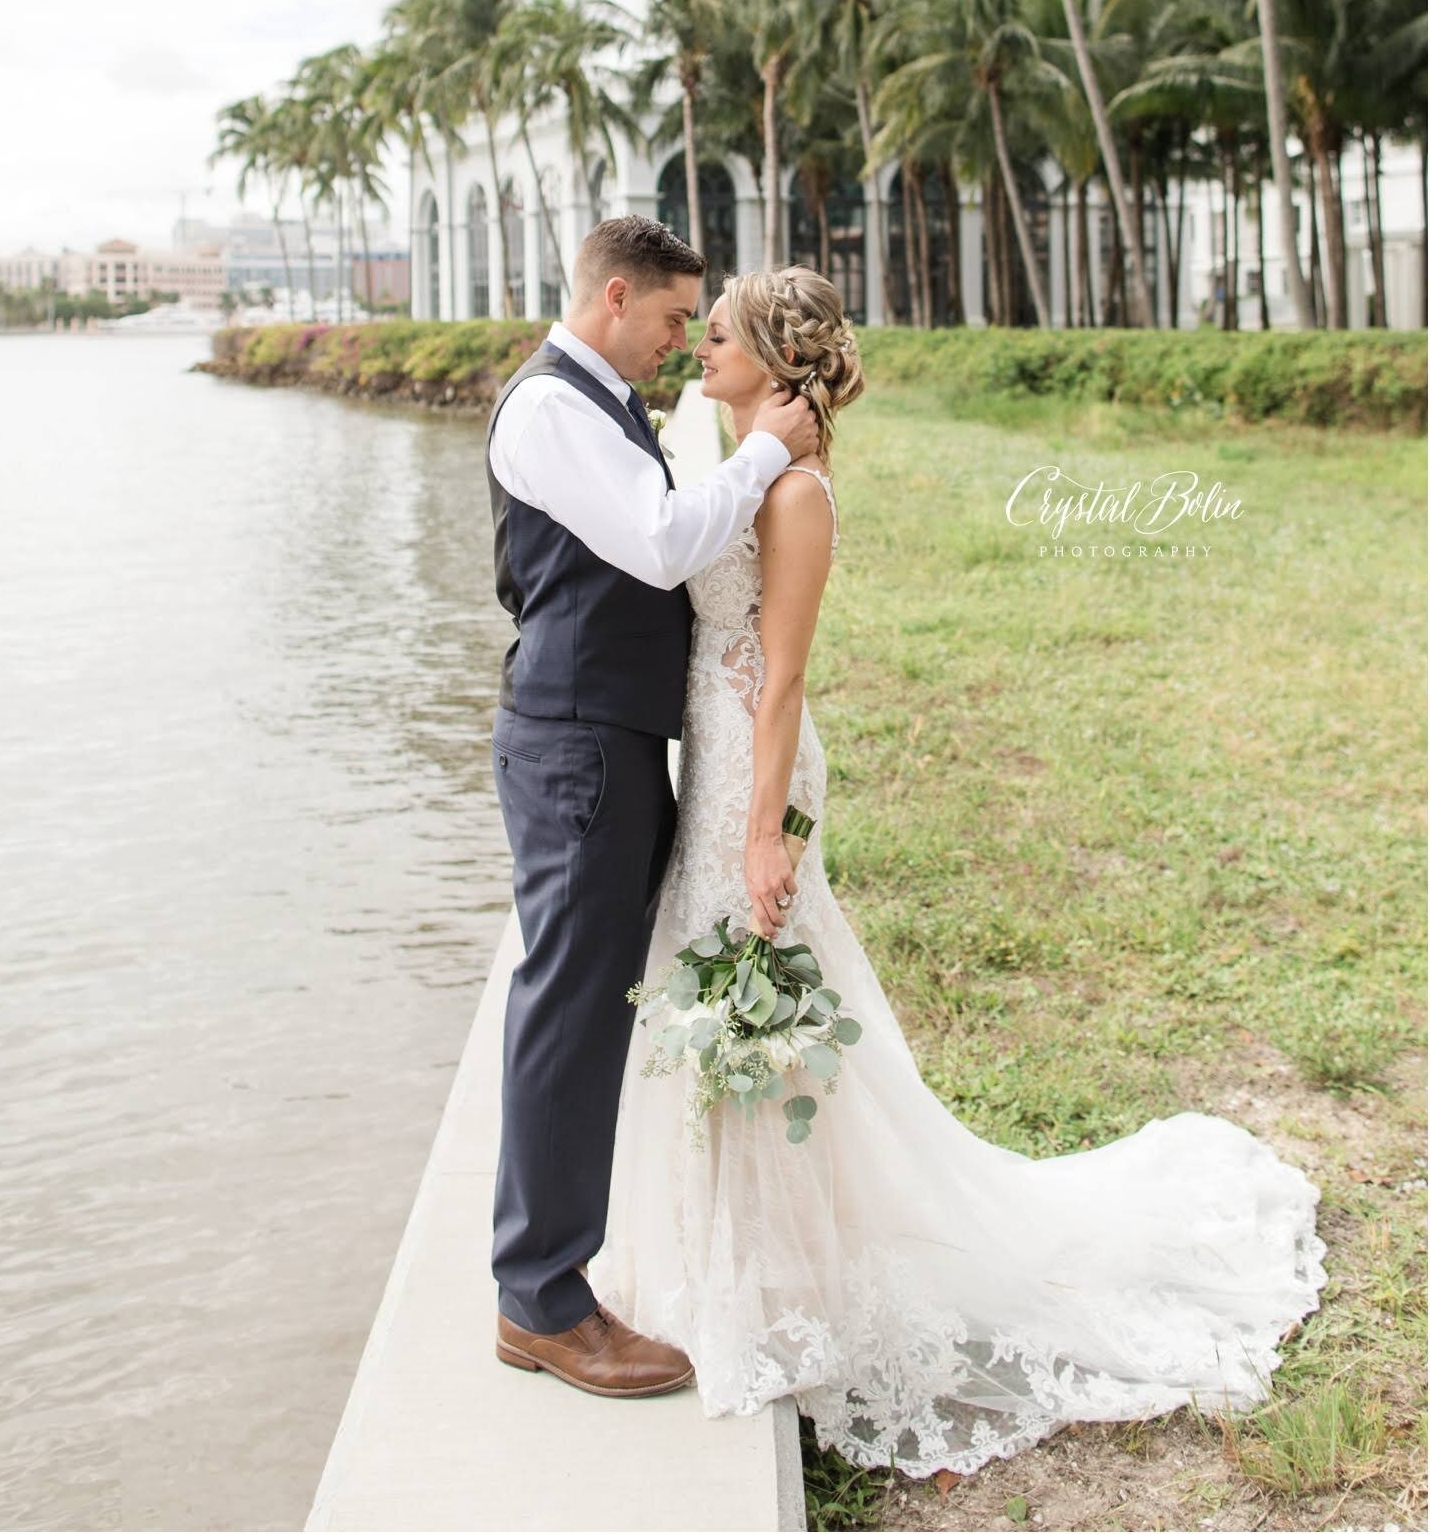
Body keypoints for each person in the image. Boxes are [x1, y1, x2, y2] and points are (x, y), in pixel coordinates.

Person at [588, 262, 1328, 1479]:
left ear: (773, 359)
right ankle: (738, 1263)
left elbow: (779, 681)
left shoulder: (799, 495)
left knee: (755, 1011)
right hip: (718, 758)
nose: (694, 349)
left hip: (752, 771)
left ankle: (779, 1286)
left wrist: (763, 828)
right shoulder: (742, 455)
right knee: (724, 1003)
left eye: (712, 336)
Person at [483, 214, 820, 1398]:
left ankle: (550, 1281)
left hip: (608, 740)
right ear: (614, 296)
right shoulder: (548, 409)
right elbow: (668, 537)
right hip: (575, 745)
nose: (684, 342)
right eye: (675, 319)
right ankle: (542, 1300)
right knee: (570, 1009)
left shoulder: (599, 399)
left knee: (586, 1006)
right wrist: (769, 450)